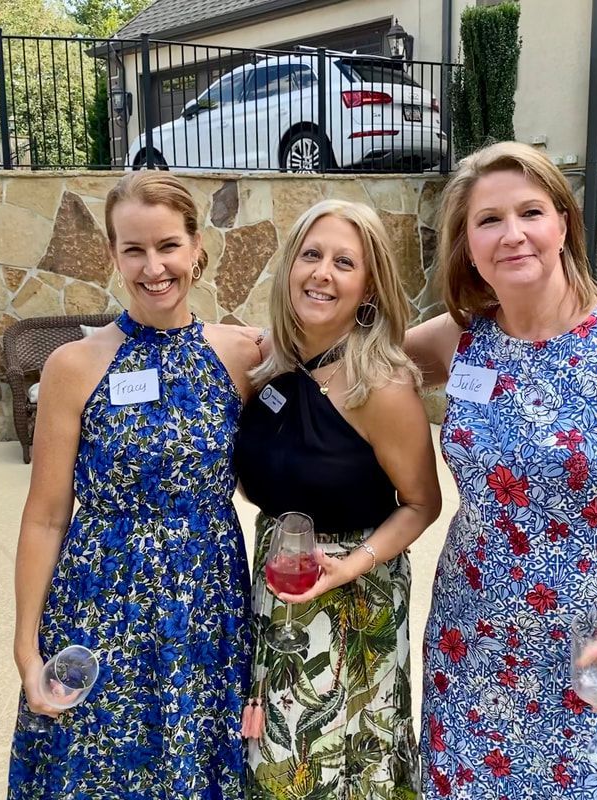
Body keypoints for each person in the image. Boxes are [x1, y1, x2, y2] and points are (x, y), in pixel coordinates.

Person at [405, 141, 597, 798]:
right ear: (467, 244)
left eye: (530, 212)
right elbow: (352, 369)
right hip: (471, 644)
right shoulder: (458, 339)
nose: (512, 234)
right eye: (488, 220)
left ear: (563, 223)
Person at [8, 171, 263, 798]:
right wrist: (26, 648)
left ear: (197, 247)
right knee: (96, 768)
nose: (154, 267)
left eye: (168, 245)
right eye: (134, 249)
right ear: (112, 255)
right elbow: (45, 516)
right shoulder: (74, 366)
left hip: (206, 604)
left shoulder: (243, 354)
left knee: (195, 760)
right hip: (100, 603)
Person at [234, 199, 442, 798]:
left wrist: (353, 564)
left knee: (339, 766)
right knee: (278, 759)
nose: (322, 273)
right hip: (278, 585)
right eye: (311, 255)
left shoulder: (381, 385)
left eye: (344, 262)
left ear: (368, 286)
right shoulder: (268, 365)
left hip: (354, 596)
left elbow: (422, 503)